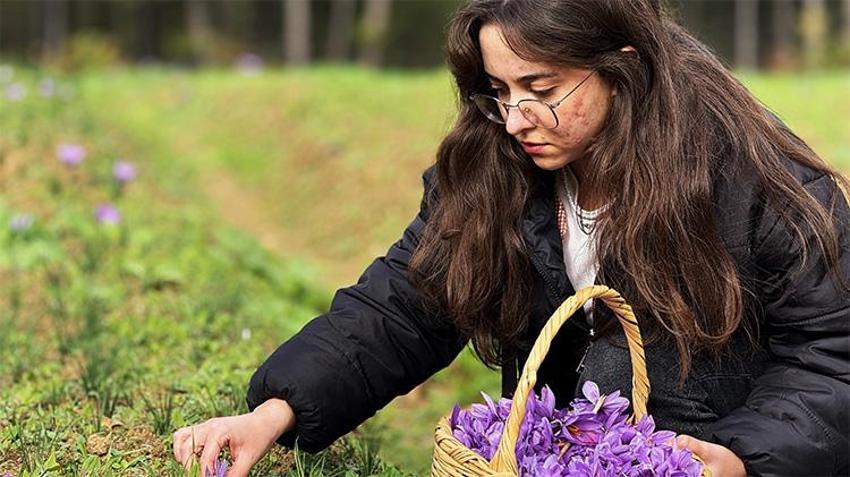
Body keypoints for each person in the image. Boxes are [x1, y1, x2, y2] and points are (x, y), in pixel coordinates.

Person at [173, 0, 850, 475]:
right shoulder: (498, 162)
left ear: (622, 66)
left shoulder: (751, 176)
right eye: (498, 89)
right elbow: (406, 304)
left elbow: (832, 354)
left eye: (541, 87)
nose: (517, 117)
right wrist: (276, 409)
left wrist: (740, 456)